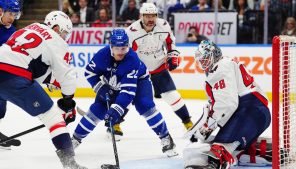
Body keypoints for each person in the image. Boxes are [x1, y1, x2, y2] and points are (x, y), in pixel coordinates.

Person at [0, 11, 88, 169]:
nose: (64, 37)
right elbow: (67, 77)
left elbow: (30, 61)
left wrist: (50, 80)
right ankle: (70, 163)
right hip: (14, 77)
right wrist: (67, 103)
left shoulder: (29, 27)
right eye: (64, 32)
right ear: (55, 28)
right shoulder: (57, 42)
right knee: (53, 117)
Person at [71, 29, 178, 157]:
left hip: (139, 82)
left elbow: (128, 92)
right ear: (111, 47)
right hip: (112, 83)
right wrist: (100, 87)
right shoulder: (102, 55)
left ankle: (166, 137)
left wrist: (117, 109)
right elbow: (89, 72)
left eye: (124, 48)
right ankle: (74, 140)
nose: (120, 53)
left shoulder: (132, 59)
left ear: (128, 46)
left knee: (145, 105)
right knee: (97, 109)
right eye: (117, 49)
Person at [183, 40, 271, 168]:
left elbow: (228, 104)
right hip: (254, 112)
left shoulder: (220, 68)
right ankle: (267, 151)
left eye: (206, 58)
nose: (203, 63)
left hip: (250, 110)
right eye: (201, 60)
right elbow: (222, 104)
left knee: (221, 145)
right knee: (233, 148)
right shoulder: (226, 64)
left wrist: (209, 127)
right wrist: (206, 126)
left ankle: (215, 165)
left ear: (215, 55)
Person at [120, 2, 193, 138]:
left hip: (159, 66)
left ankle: (188, 123)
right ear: (141, 16)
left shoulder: (163, 25)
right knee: (128, 97)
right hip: (140, 71)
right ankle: (115, 124)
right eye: (147, 16)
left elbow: (171, 43)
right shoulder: (131, 31)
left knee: (173, 96)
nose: (150, 19)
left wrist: (173, 55)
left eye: (153, 15)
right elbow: (127, 55)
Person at [0, 0, 22, 149]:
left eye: (15, 14)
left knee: (1, 108)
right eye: (10, 13)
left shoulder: (13, 31)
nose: (12, 17)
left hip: (2, 75)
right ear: (1, 11)